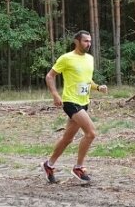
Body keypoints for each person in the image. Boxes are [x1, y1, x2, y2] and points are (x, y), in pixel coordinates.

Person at [42, 30, 107, 184]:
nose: (88, 44)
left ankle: (48, 165)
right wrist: (55, 94)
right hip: (71, 102)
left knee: (67, 139)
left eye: (90, 41)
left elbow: (86, 80)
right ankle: (78, 167)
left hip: (84, 102)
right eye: (85, 41)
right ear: (77, 42)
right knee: (91, 133)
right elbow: (50, 76)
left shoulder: (90, 59)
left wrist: (98, 87)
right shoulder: (66, 58)